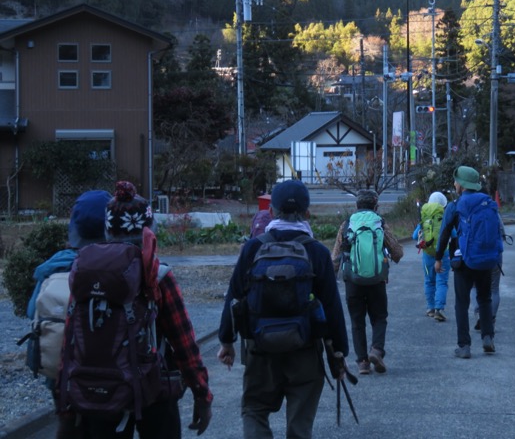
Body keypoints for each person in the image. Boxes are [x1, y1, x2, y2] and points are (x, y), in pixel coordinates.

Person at [61, 180, 213, 437]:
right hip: (153, 390)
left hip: (95, 390)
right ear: (149, 228)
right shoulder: (157, 275)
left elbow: (70, 339)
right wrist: (202, 394)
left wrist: (63, 394)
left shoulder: (85, 272)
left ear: (108, 230)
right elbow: (184, 342)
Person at [217, 180, 349, 439]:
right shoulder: (317, 252)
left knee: (254, 409)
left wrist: (227, 341)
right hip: (305, 352)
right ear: (308, 213)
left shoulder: (253, 248)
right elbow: (332, 309)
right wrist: (339, 356)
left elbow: (233, 296)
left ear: (271, 213)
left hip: (260, 351)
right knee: (300, 426)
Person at [24, 189, 111, 439]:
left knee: (70, 426)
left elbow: (33, 312)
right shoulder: (118, 264)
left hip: (62, 374)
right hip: (109, 374)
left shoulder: (56, 265)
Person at [331, 189, 404, 375]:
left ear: (357, 205)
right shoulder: (380, 224)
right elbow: (397, 253)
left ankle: (362, 362)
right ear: (375, 205)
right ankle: (376, 350)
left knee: (357, 321)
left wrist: (333, 277)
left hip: (353, 281)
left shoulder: (347, 224)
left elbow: (336, 258)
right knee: (379, 317)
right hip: (377, 280)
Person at [435, 166, 500, 358]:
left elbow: (444, 233)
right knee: (485, 298)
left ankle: (464, 346)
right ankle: (488, 337)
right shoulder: (486, 203)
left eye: (456, 181)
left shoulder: (455, 206)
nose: (454, 184)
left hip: (462, 261)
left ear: (462, 185)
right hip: (486, 259)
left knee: (462, 303)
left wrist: (438, 258)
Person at [411, 191, 451, 321]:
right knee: (442, 282)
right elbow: (455, 234)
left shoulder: (424, 217)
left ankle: (430, 308)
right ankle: (439, 309)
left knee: (429, 281)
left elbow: (414, 236)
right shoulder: (444, 218)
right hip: (443, 254)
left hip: (427, 255)